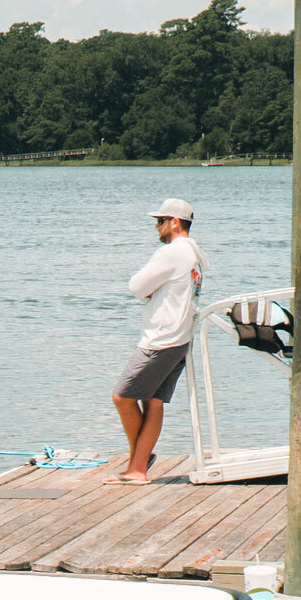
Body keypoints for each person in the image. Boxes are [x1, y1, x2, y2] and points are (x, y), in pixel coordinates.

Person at [109, 198, 206, 483]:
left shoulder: (172, 252)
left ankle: (140, 459)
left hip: (161, 339)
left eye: (161, 221)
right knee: (153, 401)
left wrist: (150, 291)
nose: (157, 227)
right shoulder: (196, 252)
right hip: (181, 337)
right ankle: (138, 467)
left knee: (123, 396)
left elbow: (136, 287)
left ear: (174, 222)